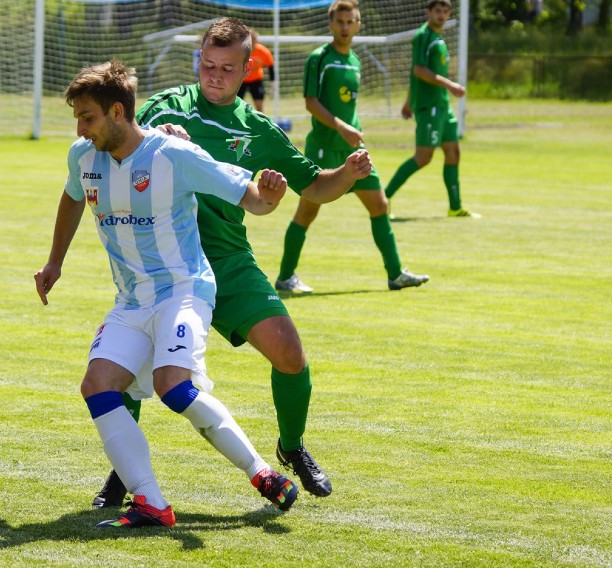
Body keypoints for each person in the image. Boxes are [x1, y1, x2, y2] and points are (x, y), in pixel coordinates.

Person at [90, 17, 373, 510]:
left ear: (247, 69)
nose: (213, 76)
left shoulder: (257, 130)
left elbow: (315, 186)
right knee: (130, 361)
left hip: (226, 259)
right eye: (207, 65)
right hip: (165, 265)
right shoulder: (166, 105)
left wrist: (346, 174)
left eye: (226, 68)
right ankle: (123, 473)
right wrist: (161, 131)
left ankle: (292, 447)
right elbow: (125, 133)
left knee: (289, 353)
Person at [35, 60, 300, 529]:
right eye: (77, 118)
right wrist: (55, 261)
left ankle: (261, 472)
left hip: (183, 291)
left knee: (172, 386)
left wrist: (272, 194)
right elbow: (73, 196)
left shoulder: (173, 155)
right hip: (130, 301)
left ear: (118, 112)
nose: (80, 128)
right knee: (96, 386)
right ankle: (151, 503)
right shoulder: (83, 156)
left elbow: (252, 199)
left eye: (88, 117)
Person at [275, 1, 430, 293]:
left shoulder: (356, 61)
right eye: (340, 22)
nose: (345, 27)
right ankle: (285, 277)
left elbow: (348, 105)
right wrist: (341, 127)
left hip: (352, 150)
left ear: (359, 25)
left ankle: (395, 274)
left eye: (351, 21)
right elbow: (311, 102)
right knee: (307, 213)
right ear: (330, 24)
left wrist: (354, 128)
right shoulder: (320, 58)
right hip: (323, 150)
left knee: (380, 205)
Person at [384, 0, 479, 219]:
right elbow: (418, 70)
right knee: (423, 157)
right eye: (438, 11)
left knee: (453, 153)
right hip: (430, 107)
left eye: (446, 11)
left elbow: (414, 73)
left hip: (442, 106)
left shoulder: (439, 38)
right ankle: (384, 196)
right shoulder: (423, 36)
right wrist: (450, 84)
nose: (442, 15)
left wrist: (408, 101)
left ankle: (455, 207)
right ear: (428, 12)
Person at [237, 29, 274, 112]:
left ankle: (260, 123)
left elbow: (271, 66)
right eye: (250, 39)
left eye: (254, 39)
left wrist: (273, 84)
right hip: (242, 80)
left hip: (256, 80)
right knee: (236, 104)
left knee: (259, 105)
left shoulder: (264, 51)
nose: (252, 41)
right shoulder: (240, 50)